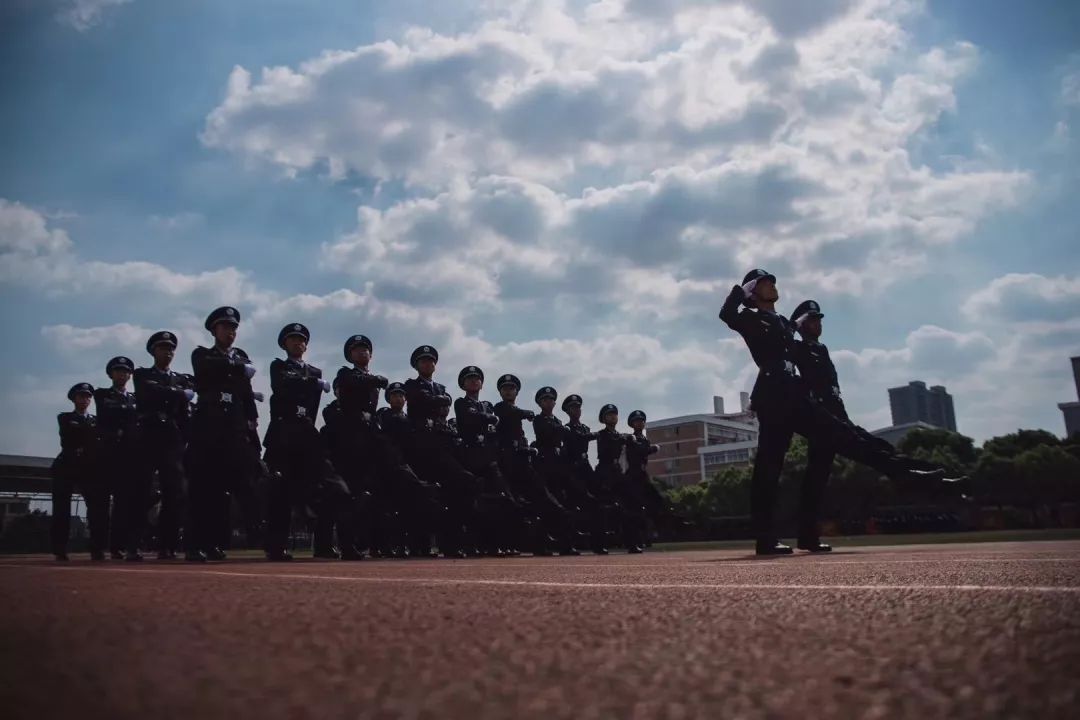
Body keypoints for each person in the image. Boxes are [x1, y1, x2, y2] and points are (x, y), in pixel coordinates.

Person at [720, 270, 954, 555]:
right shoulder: (750, 318)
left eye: (772, 281)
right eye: (765, 283)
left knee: (845, 437)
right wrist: (741, 292)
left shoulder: (783, 323)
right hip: (773, 394)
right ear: (754, 291)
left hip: (793, 393)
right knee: (769, 469)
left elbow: (802, 349)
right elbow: (726, 314)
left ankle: (911, 476)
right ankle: (765, 539)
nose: (772, 285)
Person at [264, 323, 352, 561]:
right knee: (281, 491)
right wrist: (311, 383)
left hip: (307, 434)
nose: (298, 343)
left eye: (301, 340)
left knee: (334, 488)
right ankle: (276, 546)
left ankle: (323, 543)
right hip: (284, 433)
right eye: (292, 339)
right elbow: (282, 386)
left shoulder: (314, 372)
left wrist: (311, 382)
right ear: (284, 344)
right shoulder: (279, 367)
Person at [187, 306, 261, 562]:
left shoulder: (241, 356)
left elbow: (246, 392)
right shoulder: (202, 354)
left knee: (225, 492)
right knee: (203, 488)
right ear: (214, 330)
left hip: (235, 427)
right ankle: (195, 544)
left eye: (233, 328)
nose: (230, 332)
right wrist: (236, 366)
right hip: (208, 427)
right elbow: (207, 369)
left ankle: (215, 543)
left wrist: (252, 424)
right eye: (225, 327)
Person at [403, 345, 475, 558]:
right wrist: (438, 400)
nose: (428, 364)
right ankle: (419, 545)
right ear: (416, 365)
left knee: (458, 487)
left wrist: (438, 400)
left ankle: (451, 543)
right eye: (423, 361)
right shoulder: (411, 385)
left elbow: (444, 405)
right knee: (421, 496)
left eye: (431, 360)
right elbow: (427, 401)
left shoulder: (440, 387)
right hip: (419, 447)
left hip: (441, 446)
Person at [134, 331, 193, 559]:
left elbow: (185, 413)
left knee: (174, 493)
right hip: (148, 436)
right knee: (141, 491)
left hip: (172, 439)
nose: (167, 352)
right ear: (152, 351)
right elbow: (150, 392)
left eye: (171, 349)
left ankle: (166, 545)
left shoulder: (180, 378)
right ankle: (134, 543)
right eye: (162, 348)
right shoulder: (142, 374)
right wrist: (179, 394)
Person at [455, 366, 521, 556]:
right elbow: (470, 418)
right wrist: (489, 418)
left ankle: (495, 544)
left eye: (477, 378)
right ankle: (472, 544)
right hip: (470, 459)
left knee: (501, 499)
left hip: (489, 459)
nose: (474, 381)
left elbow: (495, 432)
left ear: (482, 384)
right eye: (469, 379)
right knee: (473, 503)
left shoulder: (487, 405)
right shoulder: (461, 403)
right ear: (463, 384)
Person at [94, 356, 143, 560]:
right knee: (100, 505)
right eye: (118, 371)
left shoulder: (134, 398)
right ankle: (97, 546)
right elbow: (107, 412)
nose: (122, 374)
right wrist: (127, 414)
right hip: (106, 455)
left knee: (124, 505)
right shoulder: (102, 394)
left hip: (128, 457)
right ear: (110, 374)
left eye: (125, 371)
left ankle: (117, 546)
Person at [51, 383, 102, 561]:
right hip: (67, 466)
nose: (85, 400)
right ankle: (59, 548)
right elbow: (69, 438)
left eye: (88, 396)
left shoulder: (97, 420)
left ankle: (97, 549)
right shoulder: (65, 418)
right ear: (74, 398)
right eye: (81, 396)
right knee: (61, 509)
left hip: (89, 468)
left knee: (96, 508)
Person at [561, 394, 609, 554]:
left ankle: (599, 543)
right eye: (572, 408)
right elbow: (579, 439)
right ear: (567, 411)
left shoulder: (585, 428)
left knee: (598, 503)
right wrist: (597, 435)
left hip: (585, 466)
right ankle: (567, 545)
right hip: (572, 469)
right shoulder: (567, 429)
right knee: (572, 507)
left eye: (578, 407)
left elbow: (585, 436)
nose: (576, 410)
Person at [593, 403, 641, 553]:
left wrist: (629, 439)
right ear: (603, 419)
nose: (613, 417)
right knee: (602, 510)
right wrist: (624, 438)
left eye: (614, 414)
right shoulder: (602, 434)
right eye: (609, 415)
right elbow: (607, 449)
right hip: (604, 472)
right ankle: (599, 544)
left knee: (629, 506)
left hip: (617, 472)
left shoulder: (620, 436)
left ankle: (632, 543)